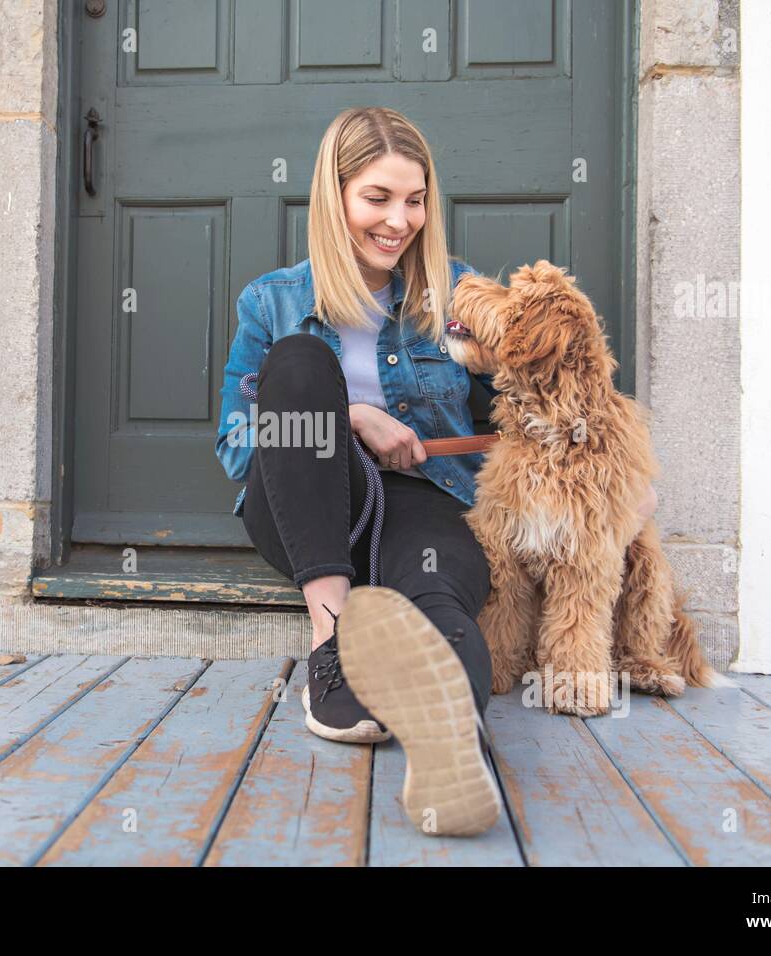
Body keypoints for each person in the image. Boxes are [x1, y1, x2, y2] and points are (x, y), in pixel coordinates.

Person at [213, 107, 655, 834]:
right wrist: (349, 416)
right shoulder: (273, 300)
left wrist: (610, 468)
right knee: (298, 364)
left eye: (414, 199)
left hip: (424, 501)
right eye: (377, 199)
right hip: (304, 507)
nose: (400, 220)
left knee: (443, 602)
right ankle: (331, 648)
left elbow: (526, 395)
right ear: (336, 196)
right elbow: (236, 442)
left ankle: (456, 744)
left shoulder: (454, 293)